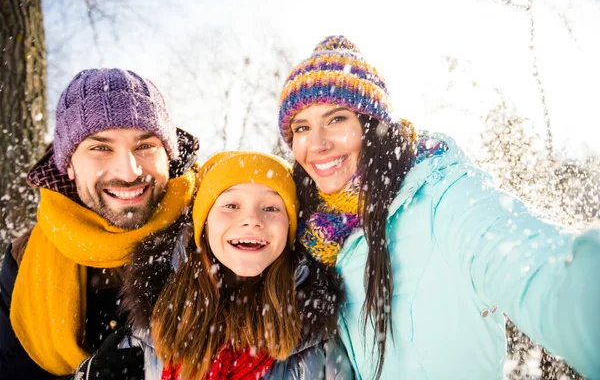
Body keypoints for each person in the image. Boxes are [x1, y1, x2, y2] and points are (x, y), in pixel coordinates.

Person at [277, 35, 600, 380]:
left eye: (336, 119)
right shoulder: (310, 237)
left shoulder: (441, 195)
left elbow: (541, 271)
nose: (318, 143)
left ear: (369, 125)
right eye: (302, 127)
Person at [0, 68, 199, 379]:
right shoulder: (22, 260)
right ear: (68, 164)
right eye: (101, 148)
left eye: (145, 146)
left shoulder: (213, 231)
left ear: (169, 155)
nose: (130, 171)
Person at [119, 151, 354, 379]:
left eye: (271, 208)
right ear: (205, 223)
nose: (251, 220)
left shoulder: (319, 346)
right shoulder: (147, 328)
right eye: (231, 205)